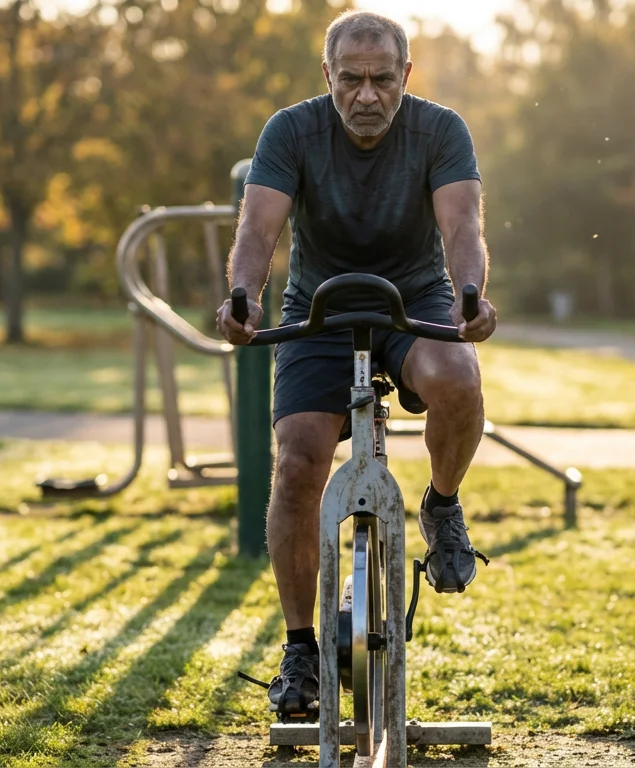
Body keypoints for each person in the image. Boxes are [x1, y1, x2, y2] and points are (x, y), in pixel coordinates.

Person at [215, 9, 497, 718]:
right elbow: (258, 226)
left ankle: (442, 505)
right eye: (351, 80)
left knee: (459, 381)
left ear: (406, 75)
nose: (366, 95)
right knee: (299, 463)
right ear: (327, 76)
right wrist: (243, 297)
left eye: (381, 80)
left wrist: (470, 298)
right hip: (320, 308)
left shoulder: (440, 130)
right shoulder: (291, 131)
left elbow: (462, 224)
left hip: (417, 299)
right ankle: (301, 649)